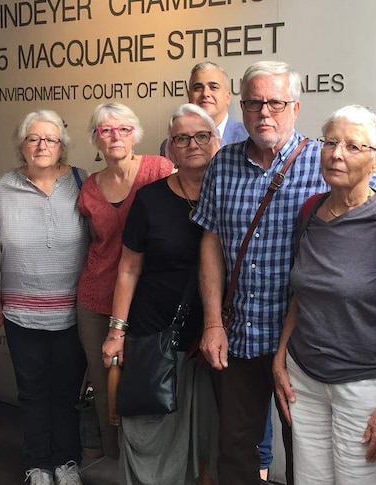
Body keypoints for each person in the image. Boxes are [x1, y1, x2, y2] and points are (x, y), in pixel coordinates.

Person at [193, 60, 376, 485]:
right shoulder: (221, 165)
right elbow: (210, 242)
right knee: (236, 454)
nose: (265, 112)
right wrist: (211, 322)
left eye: (275, 103)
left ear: (295, 107)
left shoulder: (322, 161)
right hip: (238, 335)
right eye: (254, 102)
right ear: (241, 107)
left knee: (306, 458)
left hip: (301, 345)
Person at [273, 105, 376, 484]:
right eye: (331, 142)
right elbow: (301, 296)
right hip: (303, 379)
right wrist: (280, 357)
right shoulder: (309, 212)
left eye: (353, 146)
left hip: (364, 387)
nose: (337, 154)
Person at [164, 60, 274, 483]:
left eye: (214, 86)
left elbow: (358, 179)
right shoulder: (178, 141)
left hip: (276, 313)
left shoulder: (263, 140)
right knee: (231, 419)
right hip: (219, 306)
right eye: (197, 86)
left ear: (231, 97)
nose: (205, 93)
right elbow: (205, 231)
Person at [102, 103, 220, 484]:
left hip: (216, 337)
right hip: (156, 332)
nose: (192, 144)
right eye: (181, 138)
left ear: (216, 141)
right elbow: (129, 267)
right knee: (149, 429)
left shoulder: (234, 193)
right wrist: (117, 331)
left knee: (209, 437)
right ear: (169, 148)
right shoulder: (150, 199)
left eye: (201, 135)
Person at [76, 102, 174, 461]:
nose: (115, 136)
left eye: (122, 129)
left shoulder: (159, 169)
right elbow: (92, 243)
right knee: (104, 389)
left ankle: (146, 465)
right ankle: (113, 463)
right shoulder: (88, 188)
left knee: (144, 383)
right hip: (95, 298)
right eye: (105, 130)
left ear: (135, 134)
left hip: (147, 299)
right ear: (95, 139)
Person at [0, 110, 89, 485]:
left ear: (62, 145)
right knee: (32, 393)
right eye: (33, 138)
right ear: (21, 145)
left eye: (50, 139)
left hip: (72, 312)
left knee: (67, 393)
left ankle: (67, 462)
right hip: (20, 313)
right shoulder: (2, 186)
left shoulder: (82, 182)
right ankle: (37, 464)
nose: (42, 145)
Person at [160, 62, 249, 156]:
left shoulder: (249, 138)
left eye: (213, 87)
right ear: (189, 96)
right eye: (198, 88)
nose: (205, 93)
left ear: (228, 97)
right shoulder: (171, 146)